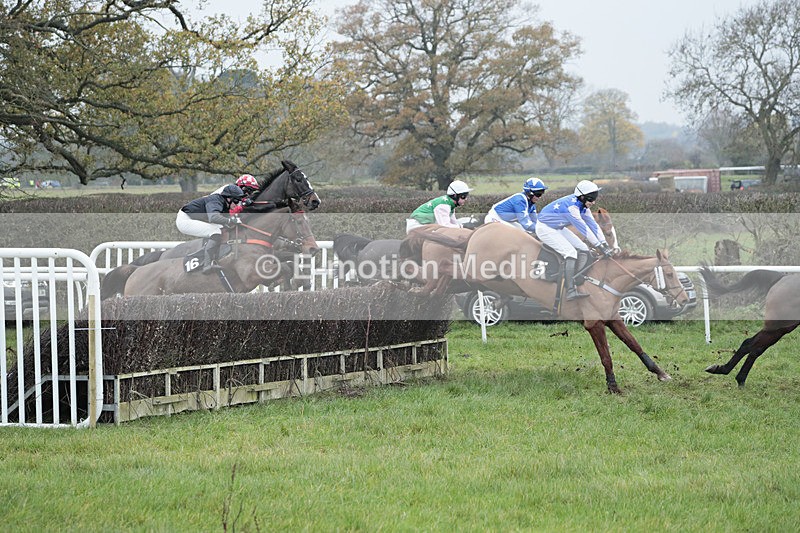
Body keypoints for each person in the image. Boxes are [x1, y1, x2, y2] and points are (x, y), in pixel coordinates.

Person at [535, 180, 614, 300]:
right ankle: (570, 290)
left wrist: (604, 244)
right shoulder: (572, 208)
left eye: (594, 198)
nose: (593, 202)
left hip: (558, 227)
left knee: (583, 249)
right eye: (591, 198)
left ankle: (577, 278)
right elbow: (584, 229)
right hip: (545, 228)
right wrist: (599, 246)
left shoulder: (582, 205)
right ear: (582, 197)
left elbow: (593, 225)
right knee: (571, 253)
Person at [176, 184, 245, 273]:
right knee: (215, 231)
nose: (237, 204)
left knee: (220, 228)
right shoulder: (215, 201)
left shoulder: (225, 204)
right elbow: (213, 218)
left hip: (193, 218)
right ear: (228, 198)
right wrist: (230, 221)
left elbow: (225, 223)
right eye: (236, 201)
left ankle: (214, 258)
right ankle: (207, 264)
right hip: (185, 220)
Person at [406, 180, 473, 234]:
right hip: (415, 227)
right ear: (455, 196)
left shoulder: (450, 205)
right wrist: (463, 226)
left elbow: (453, 223)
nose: (466, 199)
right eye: (463, 196)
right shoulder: (443, 206)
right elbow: (445, 226)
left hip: (424, 226)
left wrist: (464, 227)